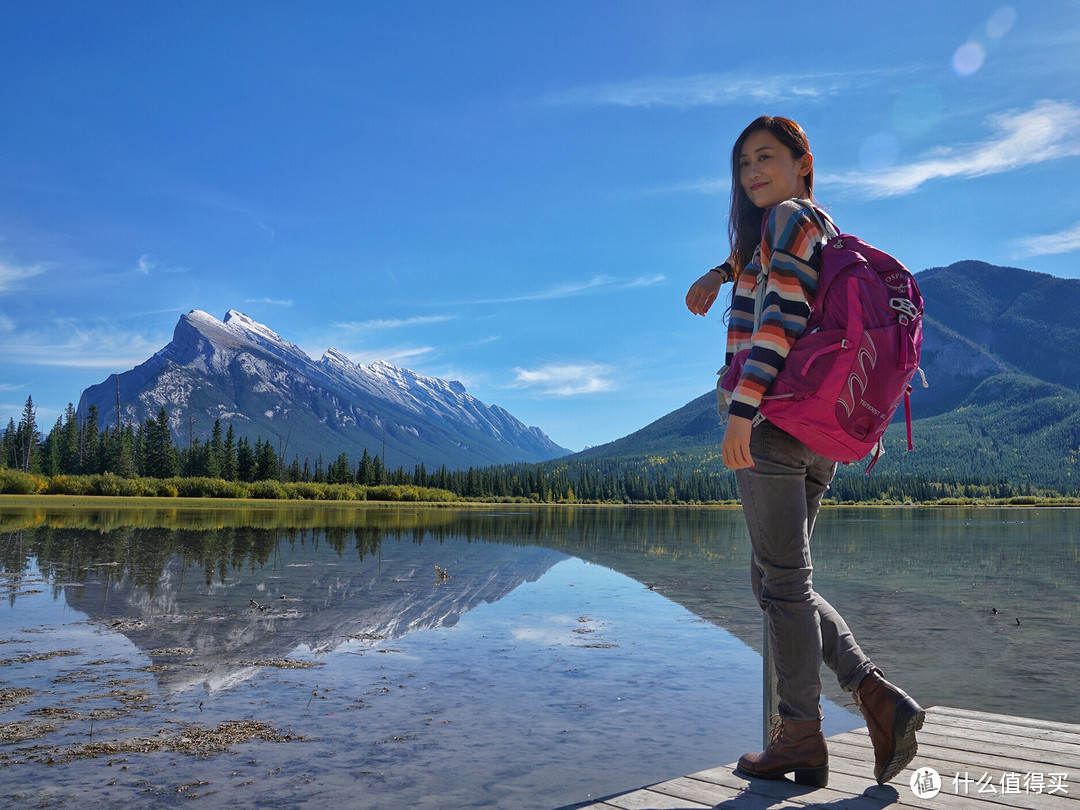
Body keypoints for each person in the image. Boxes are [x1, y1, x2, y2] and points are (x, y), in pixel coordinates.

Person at [685, 115, 924, 788]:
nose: (752, 172)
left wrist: (742, 409)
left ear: (802, 163)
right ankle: (873, 701)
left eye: (766, 158)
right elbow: (772, 266)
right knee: (780, 584)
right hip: (821, 437)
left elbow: (783, 313)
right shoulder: (809, 226)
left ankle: (803, 734)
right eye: (742, 164)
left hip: (775, 423)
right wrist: (718, 270)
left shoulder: (788, 216)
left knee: (782, 586)